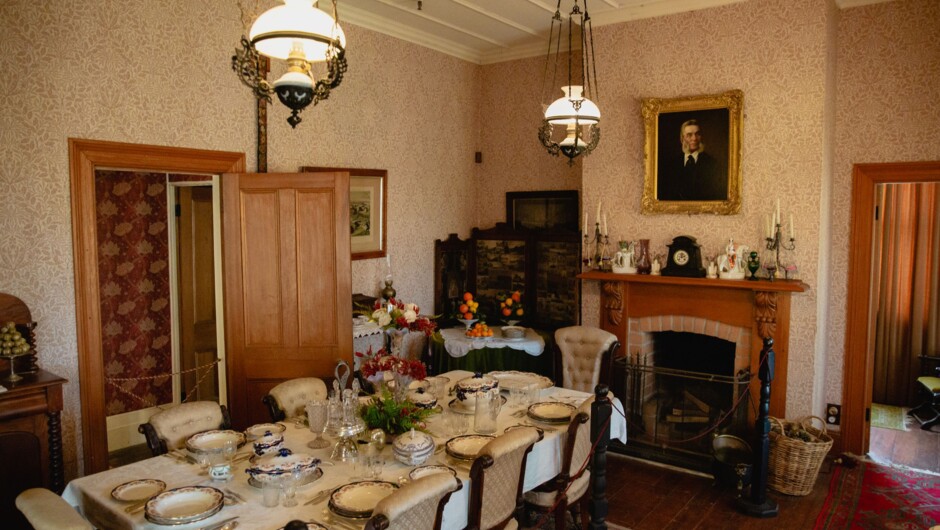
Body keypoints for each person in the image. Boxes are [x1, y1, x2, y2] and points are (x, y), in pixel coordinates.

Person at [657, 119, 727, 201]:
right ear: (682, 138)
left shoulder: (712, 164)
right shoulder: (671, 165)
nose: (694, 138)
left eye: (697, 134)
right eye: (689, 135)